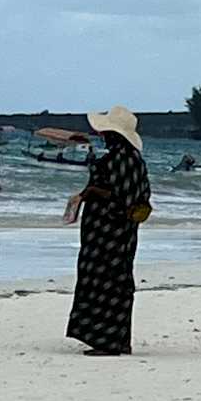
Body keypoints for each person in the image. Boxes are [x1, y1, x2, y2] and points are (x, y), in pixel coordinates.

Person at [66, 105, 152, 357]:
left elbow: (118, 197)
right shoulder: (135, 160)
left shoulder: (116, 160)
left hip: (106, 231)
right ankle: (119, 339)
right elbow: (138, 196)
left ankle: (106, 341)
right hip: (124, 231)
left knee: (100, 280)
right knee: (119, 280)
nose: (102, 136)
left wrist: (91, 191)